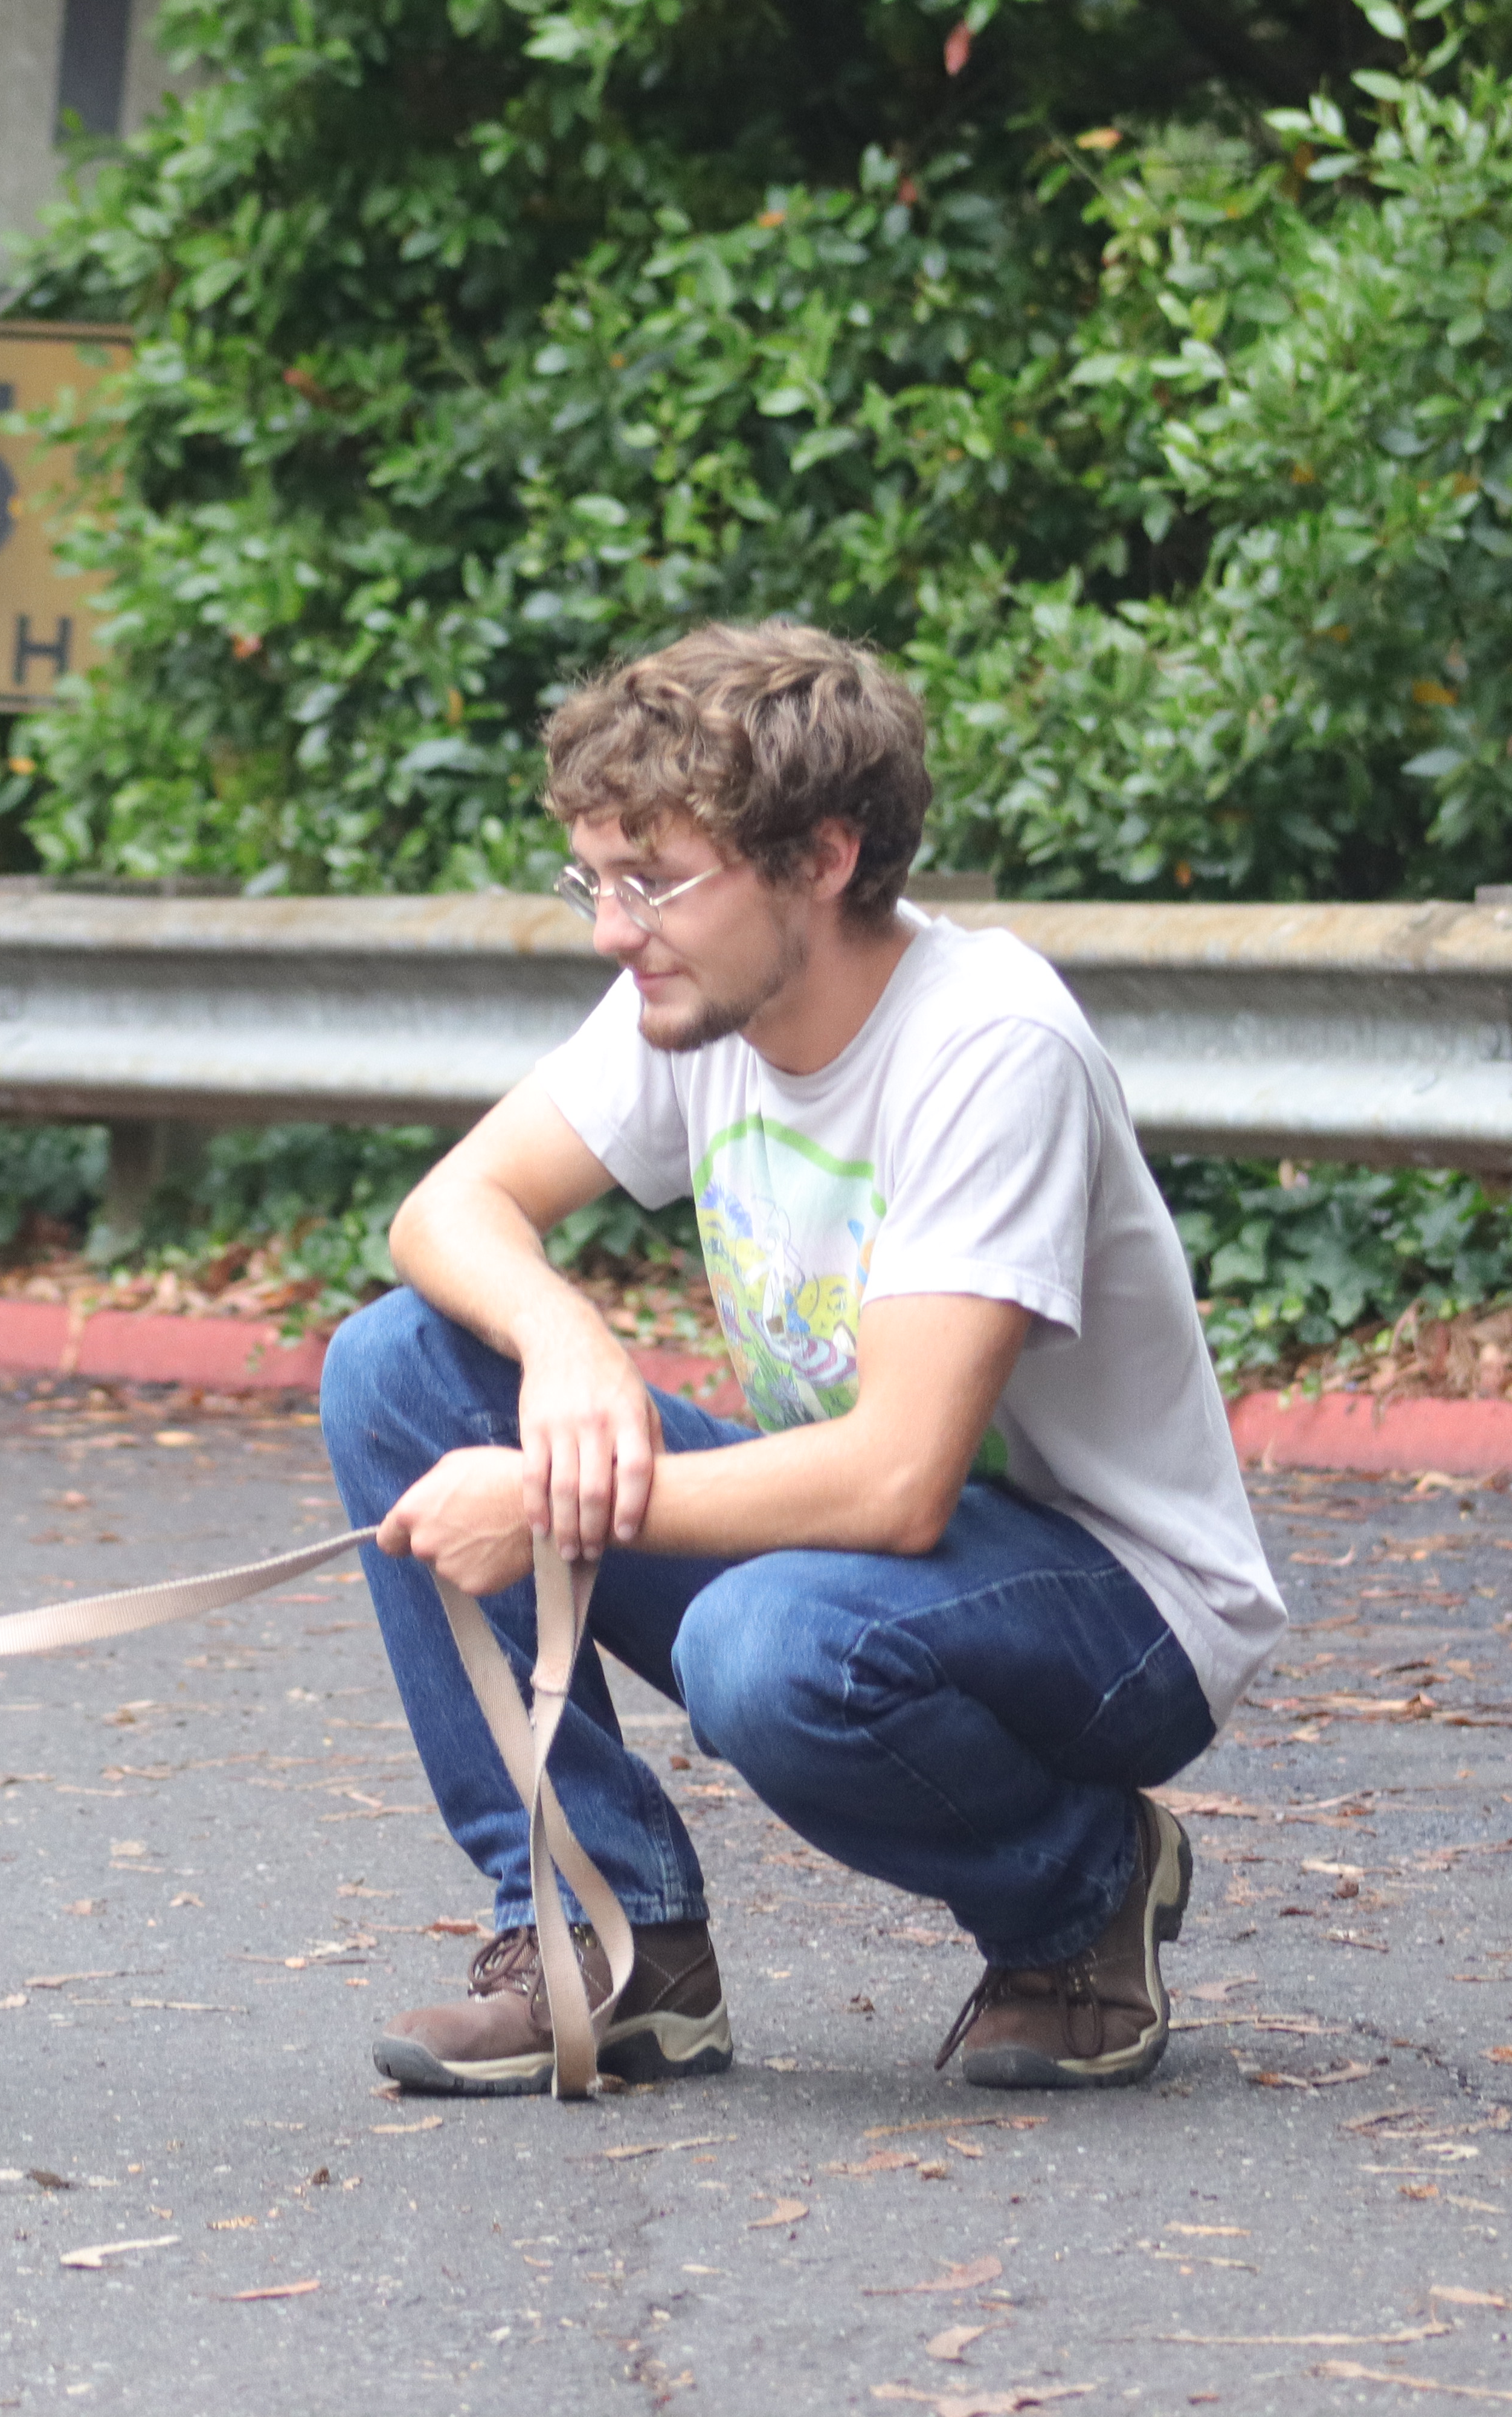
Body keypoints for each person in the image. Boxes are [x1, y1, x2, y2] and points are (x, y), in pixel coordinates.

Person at [320, 619, 1284, 2097]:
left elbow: (900, 1477)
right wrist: (566, 1337)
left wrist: (551, 1501)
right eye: (595, 877)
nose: (609, 927)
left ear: (821, 858)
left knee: (765, 1649)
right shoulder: (696, 998)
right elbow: (446, 1207)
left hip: (1115, 1609)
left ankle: (1082, 1894)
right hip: (853, 1553)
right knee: (398, 1366)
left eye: (653, 881)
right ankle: (606, 1933)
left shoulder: (988, 1042)